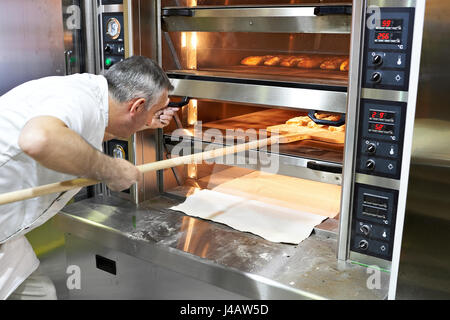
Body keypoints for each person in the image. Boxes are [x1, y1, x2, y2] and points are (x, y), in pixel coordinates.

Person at [0, 56, 178, 299]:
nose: (153, 118)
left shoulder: (92, 93)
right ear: (136, 106)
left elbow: (84, 133)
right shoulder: (79, 99)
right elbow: (39, 139)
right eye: (154, 111)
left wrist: (144, 123)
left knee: (40, 294)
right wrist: (111, 169)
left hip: (7, 234)